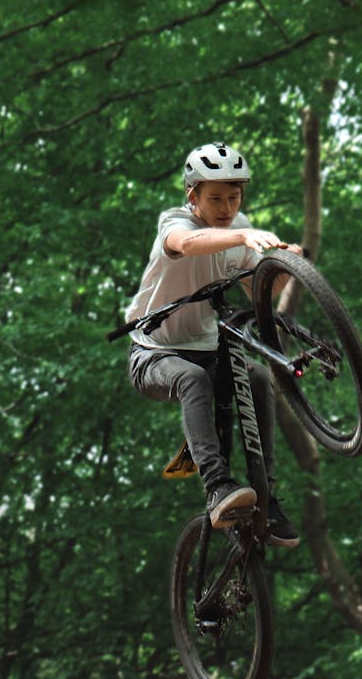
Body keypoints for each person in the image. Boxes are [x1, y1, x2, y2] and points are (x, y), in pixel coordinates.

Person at [125, 141, 300, 548]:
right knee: (191, 380)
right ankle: (218, 486)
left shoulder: (239, 235)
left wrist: (289, 265)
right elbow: (185, 246)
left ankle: (267, 498)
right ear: (193, 197)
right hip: (154, 354)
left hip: (210, 354)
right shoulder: (176, 224)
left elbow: (260, 290)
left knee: (257, 378)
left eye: (234, 198)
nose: (226, 208)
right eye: (216, 198)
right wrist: (241, 233)